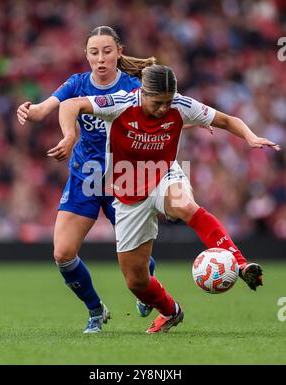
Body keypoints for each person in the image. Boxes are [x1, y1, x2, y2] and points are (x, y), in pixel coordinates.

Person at [52, 64, 281, 334]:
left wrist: (250, 137)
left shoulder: (181, 106)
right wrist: (69, 136)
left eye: (168, 102)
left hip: (164, 175)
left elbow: (227, 120)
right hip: (128, 192)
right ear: (143, 93)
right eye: (158, 102)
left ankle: (240, 264)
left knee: (184, 205)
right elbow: (70, 106)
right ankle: (171, 311)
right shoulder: (121, 103)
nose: (163, 109)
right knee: (136, 281)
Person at [16, 26, 157, 333]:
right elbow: (44, 110)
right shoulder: (78, 84)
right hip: (86, 178)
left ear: (119, 52)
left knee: (135, 258)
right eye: (94, 52)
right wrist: (29, 110)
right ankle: (95, 310)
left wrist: (197, 123)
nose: (101, 58)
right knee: (62, 253)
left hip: (125, 179)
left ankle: (147, 284)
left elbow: (162, 118)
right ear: (87, 55)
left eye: (107, 51)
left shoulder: (134, 87)